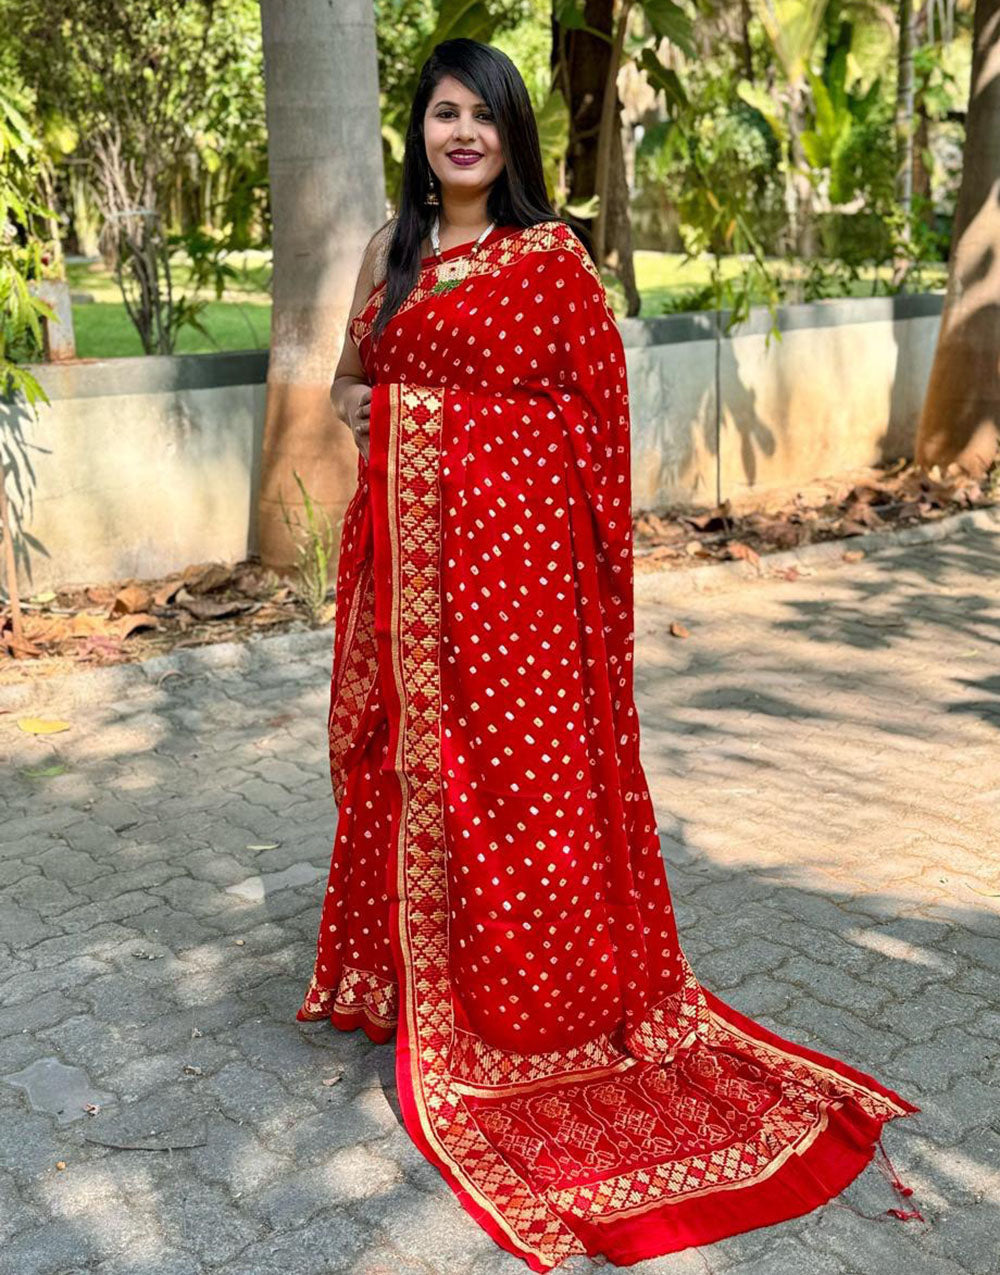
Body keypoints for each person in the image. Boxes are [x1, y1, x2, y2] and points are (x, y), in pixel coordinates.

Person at [296, 36, 922, 1272]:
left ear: (512, 136)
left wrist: (432, 433)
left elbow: (591, 430)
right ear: (415, 131)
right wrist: (375, 412)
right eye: (441, 114)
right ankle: (406, 982)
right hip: (401, 577)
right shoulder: (392, 251)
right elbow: (346, 385)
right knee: (396, 762)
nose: (459, 134)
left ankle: (533, 1000)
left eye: (482, 116)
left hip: (515, 588)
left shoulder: (552, 262)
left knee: (520, 784)